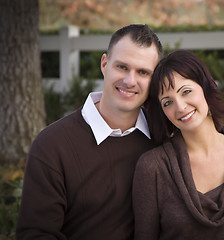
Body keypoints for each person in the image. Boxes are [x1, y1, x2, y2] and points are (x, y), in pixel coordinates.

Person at [16, 24, 163, 239]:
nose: (130, 81)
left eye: (143, 72)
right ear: (105, 64)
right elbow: (36, 234)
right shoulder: (52, 145)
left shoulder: (162, 135)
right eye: (122, 67)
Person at [132, 49, 224, 240]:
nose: (180, 107)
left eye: (186, 92)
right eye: (167, 102)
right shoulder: (152, 167)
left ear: (206, 87)